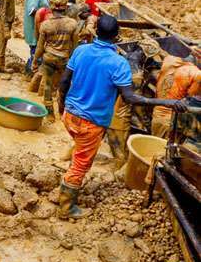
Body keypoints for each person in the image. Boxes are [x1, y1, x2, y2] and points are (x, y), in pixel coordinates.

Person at [56, 15, 187, 219]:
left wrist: (61, 107)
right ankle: (66, 207)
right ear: (117, 36)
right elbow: (131, 98)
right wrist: (168, 102)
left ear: (96, 31)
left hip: (70, 114)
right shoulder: (118, 63)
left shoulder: (80, 50)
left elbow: (64, 82)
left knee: (80, 152)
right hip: (90, 122)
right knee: (81, 163)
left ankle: (69, 180)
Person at [34, 0, 79, 120]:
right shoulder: (73, 24)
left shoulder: (45, 24)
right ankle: (62, 111)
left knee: (48, 86)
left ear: (51, 7)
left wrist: (35, 61)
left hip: (49, 58)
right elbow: (75, 46)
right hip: (65, 60)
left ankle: (49, 114)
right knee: (64, 85)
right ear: (65, 7)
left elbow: (40, 46)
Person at [150, 50, 200, 140]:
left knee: (155, 146)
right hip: (173, 121)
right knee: (165, 152)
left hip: (157, 115)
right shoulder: (196, 74)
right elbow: (190, 100)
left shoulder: (169, 60)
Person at [23, 0, 57, 73]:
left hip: (38, 29)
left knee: (37, 54)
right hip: (34, 30)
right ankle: (30, 73)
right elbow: (32, 11)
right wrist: (49, 16)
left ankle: (29, 71)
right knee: (36, 55)